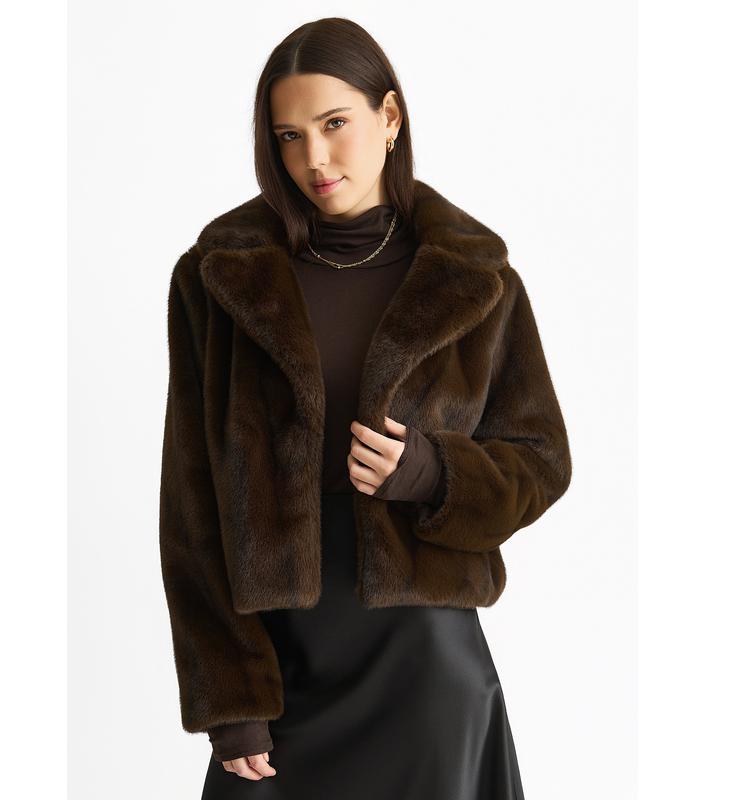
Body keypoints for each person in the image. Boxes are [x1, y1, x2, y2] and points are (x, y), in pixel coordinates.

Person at [158, 17, 572, 800]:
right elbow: (192, 504)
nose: (313, 158)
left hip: (426, 671)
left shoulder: (477, 281)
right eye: (288, 136)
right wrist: (230, 698)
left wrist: (435, 473)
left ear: (389, 117)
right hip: (279, 671)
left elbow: (542, 462)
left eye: (334, 124)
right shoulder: (219, 279)